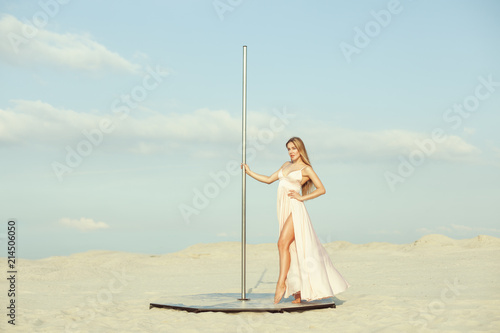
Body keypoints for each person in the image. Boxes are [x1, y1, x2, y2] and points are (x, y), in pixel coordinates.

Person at [241, 137, 350, 304]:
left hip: (295, 209)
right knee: (292, 248)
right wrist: (249, 172)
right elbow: (269, 179)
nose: (291, 151)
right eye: (289, 149)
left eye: (294, 148)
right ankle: (298, 293)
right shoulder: (286, 165)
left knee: (282, 243)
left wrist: (301, 197)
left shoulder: (306, 169)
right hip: (283, 208)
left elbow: (322, 189)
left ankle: (281, 284)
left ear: (300, 150)